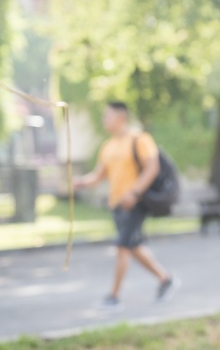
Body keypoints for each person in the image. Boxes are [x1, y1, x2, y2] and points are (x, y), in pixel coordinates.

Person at [74, 101, 179, 310]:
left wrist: (134, 192)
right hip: (117, 204)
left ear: (121, 117)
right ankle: (165, 279)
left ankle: (114, 296)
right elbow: (99, 176)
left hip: (135, 202)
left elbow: (152, 168)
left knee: (123, 245)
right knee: (133, 246)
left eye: (108, 116)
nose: (104, 119)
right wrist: (81, 182)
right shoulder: (108, 146)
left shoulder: (140, 139)